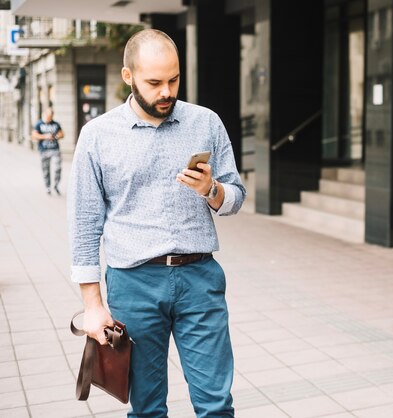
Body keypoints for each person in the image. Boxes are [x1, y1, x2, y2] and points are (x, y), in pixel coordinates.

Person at [68, 29, 246, 417]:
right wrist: (93, 305)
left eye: (174, 79)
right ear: (128, 77)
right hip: (134, 284)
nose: (167, 91)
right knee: (147, 407)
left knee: (216, 403)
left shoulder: (206, 123)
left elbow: (236, 197)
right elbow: (84, 224)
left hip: (200, 278)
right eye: (155, 82)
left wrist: (211, 189)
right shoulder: (98, 136)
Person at [32, 108, 64, 194]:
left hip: (55, 149)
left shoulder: (56, 124)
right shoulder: (39, 124)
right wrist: (45, 136)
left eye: (51, 116)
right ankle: (48, 187)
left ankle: (56, 185)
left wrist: (56, 136)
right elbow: (34, 135)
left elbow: (62, 134)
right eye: (48, 116)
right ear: (45, 114)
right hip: (44, 150)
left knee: (58, 168)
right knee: (46, 169)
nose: (49, 118)